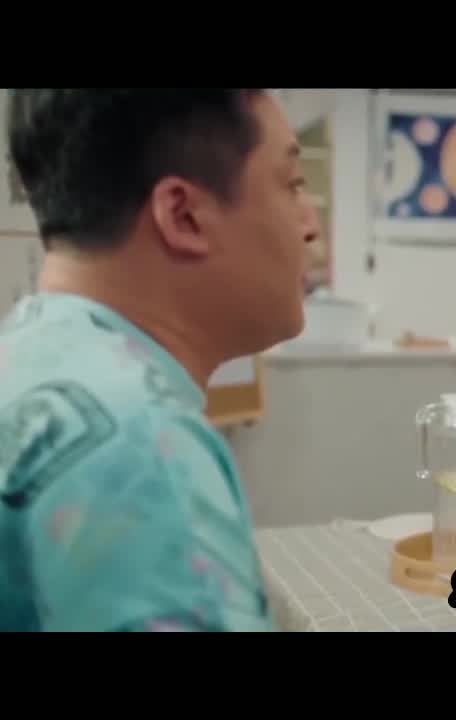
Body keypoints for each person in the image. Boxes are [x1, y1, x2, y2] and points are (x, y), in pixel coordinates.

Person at [0, 90, 321, 631]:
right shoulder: (141, 451)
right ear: (184, 215)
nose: (309, 224)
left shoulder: (27, 356)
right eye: (291, 184)